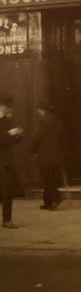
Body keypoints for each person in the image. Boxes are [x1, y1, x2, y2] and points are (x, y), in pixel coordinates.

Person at [31, 101, 65, 211]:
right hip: (55, 156)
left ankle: (57, 198)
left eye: (38, 110)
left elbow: (38, 137)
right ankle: (47, 203)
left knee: (46, 180)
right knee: (51, 179)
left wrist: (33, 150)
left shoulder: (43, 121)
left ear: (42, 110)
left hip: (45, 156)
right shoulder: (56, 121)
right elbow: (61, 139)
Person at [0, 94, 24, 229]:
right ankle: (6, 220)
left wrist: (18, 136)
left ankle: (7, 219)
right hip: (2, 162)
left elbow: (7, 141)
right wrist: (9, 134)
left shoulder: (5, 120)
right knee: (7, 189)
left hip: (5, 161)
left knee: (7, 190)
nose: (9, 110)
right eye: (7, 107)